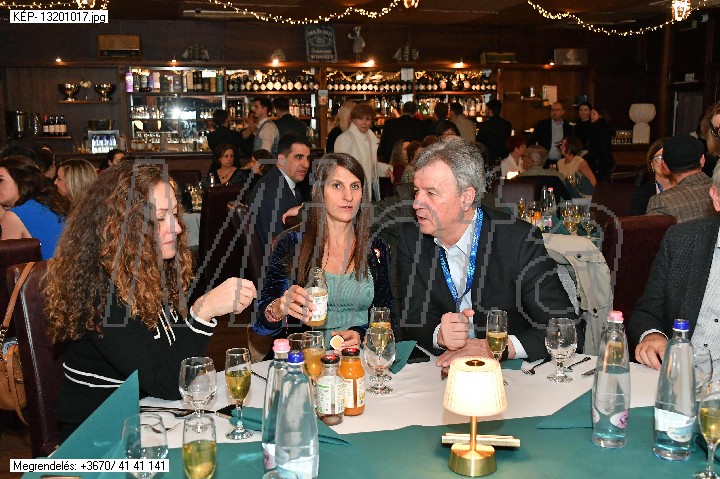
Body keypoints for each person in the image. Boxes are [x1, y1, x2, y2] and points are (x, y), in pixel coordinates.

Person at [44, 160, 257, 438]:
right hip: (100, 435)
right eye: (160, 218)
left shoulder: (149, 270)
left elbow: (171, 355)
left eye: (175, 215)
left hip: (148, 418)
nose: (177, 228)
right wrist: (203, 312)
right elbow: (167, 382)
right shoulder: (99, 289)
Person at [396, 137, 577, 366]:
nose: (416, 203)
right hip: (443, 368)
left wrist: (497, 347)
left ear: (466, 198)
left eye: (430, 193)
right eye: (416, 191)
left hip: (511, 372)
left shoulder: (517, 240)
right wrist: (439, 333)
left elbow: (566, 328)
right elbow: (412, 316)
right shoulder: (412, 239)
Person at [254, 153, 393, 347]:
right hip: (306, 357)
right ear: (319, 191)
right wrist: (277, 308)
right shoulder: (292, 243)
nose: (348, 196)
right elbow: (261, 324)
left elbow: (387, 315)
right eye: (337, 185)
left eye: (355, 186)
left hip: (359, 358)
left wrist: (361, 333)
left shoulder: (375, 247)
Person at [630, 162, 720, 371]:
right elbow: (648, 311)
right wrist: (653, 336)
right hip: (677, 373)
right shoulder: (682, 240)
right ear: (716, 198)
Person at [246, 134, 312, 248]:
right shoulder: (272, 192)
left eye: (308, 158)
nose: (306, 164)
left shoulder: (282, 182)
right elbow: (278, 248)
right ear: (281, 160)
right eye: (298, 157)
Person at [0, 156, 68, 259]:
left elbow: (4, 262)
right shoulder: (48, 204)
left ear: (21, 180)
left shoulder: (14, 216)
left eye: (1, 180)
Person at [646, 134, 714, 223]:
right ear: (702, 160)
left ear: (665, 165)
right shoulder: (717, 188)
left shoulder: (662, 202)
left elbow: (651, 232)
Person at [334, 103, 393, 201]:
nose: (364, 123)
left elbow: (370, 166)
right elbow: (340, 168)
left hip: (368, 190)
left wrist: (385, 169)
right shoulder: (344, 138)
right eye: (360, 119)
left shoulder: (371, 138)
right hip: (351, 191)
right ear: (353, 119)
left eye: (368, 119)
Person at [629, 139, 676, 216]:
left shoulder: (684, 189)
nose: (663, 162)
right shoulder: (642, 195)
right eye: (659, 158)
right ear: (652, 164)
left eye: (668, 157)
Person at [528, 102, 573, 166]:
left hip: (562, 162)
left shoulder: (568, 128)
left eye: (557, 110)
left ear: (563, 111)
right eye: (552, 110)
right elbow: (531, 141)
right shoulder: (542, 125)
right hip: (544, 162)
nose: (554, 112)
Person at [476, 99, 512, 167]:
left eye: (487, 109)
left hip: (489, 157)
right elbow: (508, 141)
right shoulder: (507, 124)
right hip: (503, 157)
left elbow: (479, 142)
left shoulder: (485, 125)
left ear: (490, 111)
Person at [585, 108, 615, 181]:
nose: (591, 116)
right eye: (591, 114)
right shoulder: (606, 127)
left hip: (598, 161)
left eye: (594, 114)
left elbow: (597, 147)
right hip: (605, 160)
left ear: (600, 115)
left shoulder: (597, 128)